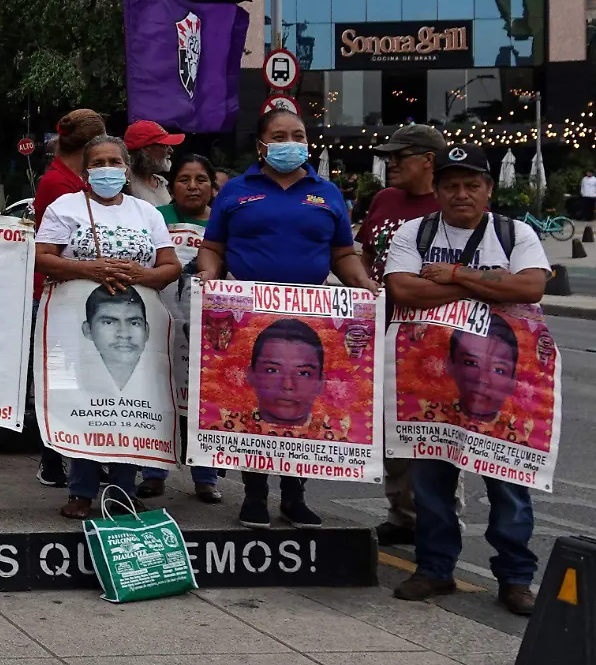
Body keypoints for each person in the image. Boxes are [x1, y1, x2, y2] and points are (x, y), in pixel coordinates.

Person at [383, 143, 549, 615]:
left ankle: (516, 579)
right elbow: (403, 290)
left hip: (503, 383)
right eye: (451, 186)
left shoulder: (516, 234)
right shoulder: (414, 233)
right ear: (436, 191)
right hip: (430, 384)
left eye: (472, 185)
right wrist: (487, 281)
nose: (462, 194)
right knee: (432, 483)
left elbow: (532, 285)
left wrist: (453, 274)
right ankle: (435, 570)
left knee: (507, 484)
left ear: (488, 190)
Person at [195, 107, 377, 530]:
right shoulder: (236, 191)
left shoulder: (326, 192)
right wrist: (207, 272)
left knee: (301, 408)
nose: (290, 143)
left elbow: (343, 254)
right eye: (280, 136)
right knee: (255, 404)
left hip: (310, 314)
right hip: (249, 315)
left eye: (298, 134)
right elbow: (214, 247)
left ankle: (295, 497)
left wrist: (363, 283)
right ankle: (254, 495)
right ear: (261, 144)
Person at [35, 133, 181, 518]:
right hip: (80, 328)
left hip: (135, 327)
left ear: (126, 167)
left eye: (113, 162)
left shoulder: (145, 212)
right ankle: (80, 492)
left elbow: (170, 267)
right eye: (97, 163)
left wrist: (138, 274)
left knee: (130, 404)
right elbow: (42, 258)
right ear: (85, 172)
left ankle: (121, 490)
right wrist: (90, 269)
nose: (106, 170)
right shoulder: (65, 208)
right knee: (88, 403)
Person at [356, 123, 444, 546]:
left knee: (430, 431)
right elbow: (367, 252)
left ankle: (439, 522)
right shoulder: (385, 199)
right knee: (390, 429)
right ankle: (401, 514)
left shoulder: (448, 205)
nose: (389, 163)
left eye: (399, 156)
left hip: (429, 333)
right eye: (387, 156)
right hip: (380, 325)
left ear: (428, 161)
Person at [141, 152, 222, 503]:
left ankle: (205, 478)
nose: (192, 186)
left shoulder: (225, 223)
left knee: (204, 397)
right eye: (184, 179)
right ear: (172, 186)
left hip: (208, 328)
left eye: (201, 179)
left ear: (213, 187)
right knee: (159, 395)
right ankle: (154, 473)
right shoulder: (156, 219)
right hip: (164, 322)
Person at [31, 109, 106, 488]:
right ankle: (51, 458)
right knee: (61, 378)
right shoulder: (58, 184)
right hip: (58, 290)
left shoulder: (76, 180)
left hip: (86, 290)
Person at [123, 120, 183, 206]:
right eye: (165, 145)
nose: (171, 151)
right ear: (146, 148)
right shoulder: (123, 183)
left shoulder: (163, 182)